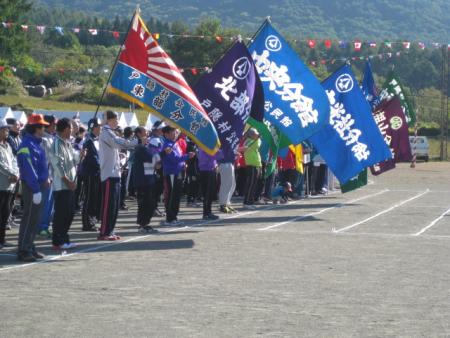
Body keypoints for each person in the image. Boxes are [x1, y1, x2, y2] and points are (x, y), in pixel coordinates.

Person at [98, 111, 137, 241]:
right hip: (109, 173)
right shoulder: (106, 132)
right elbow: (119, 142)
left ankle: (110, 230)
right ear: (109, 120)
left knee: (114, 205)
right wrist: (137, 141)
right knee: (108, 205)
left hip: (115, 172)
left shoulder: (111, 132)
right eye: (115, 119)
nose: (118, 121)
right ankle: (104, 232)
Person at [16, 114, 49, 262]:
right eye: (42, 126)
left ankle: (30, 246)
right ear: (36, 128)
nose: (44, 129)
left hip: (38, 185)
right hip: (32, 186)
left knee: (34, 219)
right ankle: (24, 249)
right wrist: (36, 189)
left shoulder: (36, 143)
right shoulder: (27, 145)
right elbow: (28, 169)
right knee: (29, 219)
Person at [49, 118, 79, 250]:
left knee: (69, 213)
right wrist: (67, 181)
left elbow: (74, 160)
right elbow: (57, 165)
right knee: (61, 214)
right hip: (62, 186)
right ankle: (58, 241)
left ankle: (64, 238)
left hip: (70, 185)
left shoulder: (67, 143)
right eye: (71, 128)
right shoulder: (57, 143)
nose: (72, 131)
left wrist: (81, 155)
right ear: (66, 129)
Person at [161, 125, 195, 226]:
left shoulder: (174, 144)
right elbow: (174, 159)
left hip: (178, 172)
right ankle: (170, 218)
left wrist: (184, 162)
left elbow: (179, 157)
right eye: (173, 132)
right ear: (166, 134)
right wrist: (187, 156)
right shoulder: (167, 145)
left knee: (176, 195)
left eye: (176, 132)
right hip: (171, 172)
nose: (175, 134)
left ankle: (174, 217)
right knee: (171, 195)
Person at [132, 126, 161, 233]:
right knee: (144, 203)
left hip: (149, 178)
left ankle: (145, 224)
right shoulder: (140, 147)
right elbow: (152, 158)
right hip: (143, 180)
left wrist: (157, 163)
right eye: (145, 131)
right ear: (139, 134)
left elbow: (152, 160)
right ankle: (142, 224)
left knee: (150, 203)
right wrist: (163, 154)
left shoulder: (145, 147)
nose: (147, 133)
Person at [0, 120, 19, 249]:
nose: (7, 131)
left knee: (5, 213)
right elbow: (1, 165)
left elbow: (14, 161)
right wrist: (11, 174)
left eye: (7, 129)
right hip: (1, 185)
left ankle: (2, 239)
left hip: (9, 186)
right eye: (4, 129)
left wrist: (16, 173)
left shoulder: (7, 146)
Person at [80, 118, 102, 231]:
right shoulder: (89, 140)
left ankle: (92, 220)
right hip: (90, 173)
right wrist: (102, 166)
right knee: (89, 198)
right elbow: (93, 158)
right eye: (99, 126)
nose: (100, 128)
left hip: (96, 173)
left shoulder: (96, 139)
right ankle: (86, 223)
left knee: (94, 198)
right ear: (94, 127)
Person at [37, 115, 57, 239]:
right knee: (45, 203)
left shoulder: (52, 138)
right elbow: (43, 160)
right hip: (45, 176)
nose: (55, 126)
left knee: (50, 205)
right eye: (53, 124)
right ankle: (41, 227)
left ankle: (45, 226)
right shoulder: (43, 139)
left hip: (52, 176)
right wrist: (46, 176)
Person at [240, 128, 262, 210]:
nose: (257, 135)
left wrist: (258, 138)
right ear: (251, 134)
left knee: (253, 184)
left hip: (256, 164)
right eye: (256, 133)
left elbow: (258, 144)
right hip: (251, 165)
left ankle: (250, 201)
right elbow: (257, 145)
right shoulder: (249, 141)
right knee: (250, 184)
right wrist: (258, 138)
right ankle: (246, 202)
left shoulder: (254, 140)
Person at [198, 149, 219, 220]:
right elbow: (204, 159)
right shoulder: (203, 147)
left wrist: (215, 164)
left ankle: (209, 212)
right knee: (206, 193)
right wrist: (216, 155)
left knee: (210, 193)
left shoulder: (209, 147)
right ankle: (206, 213)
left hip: (211, 170)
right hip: (206, 171)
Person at [218, 146, 237, 214]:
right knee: (226, 185)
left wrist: (235, 153)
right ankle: (223, 205)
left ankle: (227, 203)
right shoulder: (224, 137)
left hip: (230, 162)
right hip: (224, 162)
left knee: (232, 184)